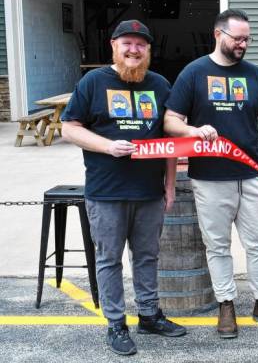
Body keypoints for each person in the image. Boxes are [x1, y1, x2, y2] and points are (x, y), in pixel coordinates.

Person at [164, 9, 258, 339]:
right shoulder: (193, 73)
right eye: (237, 38)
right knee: (218, 246)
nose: (243, 44)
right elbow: (170, 121)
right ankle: (226, 305)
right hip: (209, 177)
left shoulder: (254, 75)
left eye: (247, 39)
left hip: (253, 175)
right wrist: (193, 130)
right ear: (218, 34)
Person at [61, 20, 186, 356]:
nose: (134, 50)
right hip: (106, 192)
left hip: (149, 192)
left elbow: (170, 140)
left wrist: (170, 186)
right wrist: (106, 146)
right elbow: (69, 128)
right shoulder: (93, 82)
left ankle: (149, 315)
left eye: (141, 45)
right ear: (114, 46)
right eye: (127, 44)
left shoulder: (160, 84)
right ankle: (116, 323)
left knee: (147, 257)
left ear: (148, 50)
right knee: (109, 260)